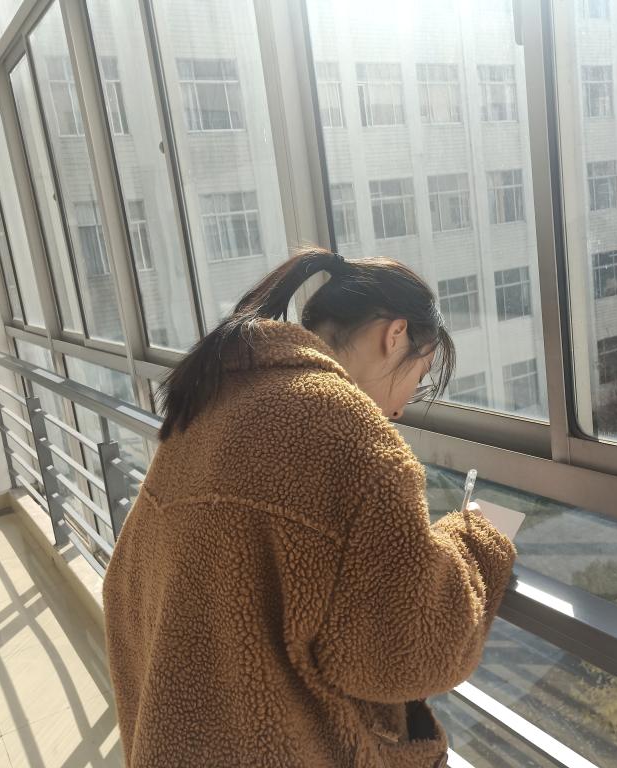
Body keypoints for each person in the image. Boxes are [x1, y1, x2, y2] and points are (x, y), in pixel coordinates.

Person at [103, 247, 517, 767]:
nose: (402, 407)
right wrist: (478, 541)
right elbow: (410, 648)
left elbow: (127, 578)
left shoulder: (217, 398)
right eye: (422, 373)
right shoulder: (347, 431)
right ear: (395, 336)